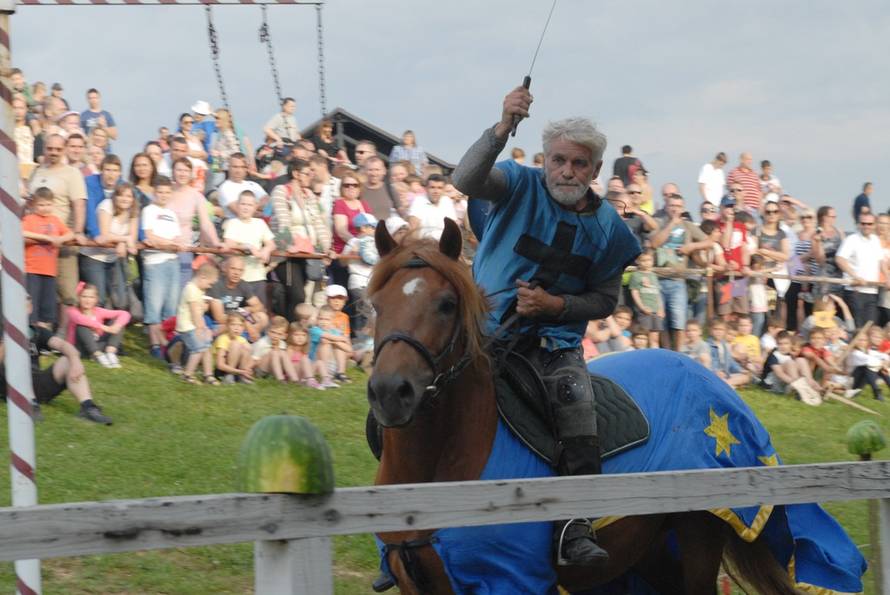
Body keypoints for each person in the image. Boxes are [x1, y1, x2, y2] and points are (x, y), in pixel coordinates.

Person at [451, 85, 641, 566]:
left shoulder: (610, 232)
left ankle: (574, 528)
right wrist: (501, 128)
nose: (566, 172)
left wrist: (556, 305)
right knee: (411, 388)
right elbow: (466, 178)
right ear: (544, 158)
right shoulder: (516, 182)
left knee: (576, 405)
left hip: (552, 345)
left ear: (596, 170)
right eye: (558, 160)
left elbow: (605, 299)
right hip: (481, 329)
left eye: (579, 164)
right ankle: (403, 526)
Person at [0, 295, 113, 424]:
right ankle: (30, 406)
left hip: (37, 383)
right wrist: (7, 337)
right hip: (11, 384)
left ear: (29, 308)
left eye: (24, 305)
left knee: (67, 360)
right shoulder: (3, 330)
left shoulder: (36, 331)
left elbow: (62, 345)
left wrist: (75, 360)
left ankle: (88, 408)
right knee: (16, 362)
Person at [28, 133, 87, 306]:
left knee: (66, 291)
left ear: (65, 150)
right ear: (44, 148)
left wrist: (77, 231)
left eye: (58, 149)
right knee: (36, 290)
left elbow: (79, 204)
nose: (53, 152)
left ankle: (63, 332)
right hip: (35, 242)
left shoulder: (72, 173)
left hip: (61, 240)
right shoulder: (37, 171)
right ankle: (39, 329)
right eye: (50, 148)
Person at [269, 159, 332, 317]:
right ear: (296, 174)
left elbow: (319, 223)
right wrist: (288, 244)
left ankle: (291, 330)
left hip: (307, 253)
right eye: (307, 173)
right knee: (298, 296)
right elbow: (283, 219)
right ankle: (287, 329)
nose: (311, 176)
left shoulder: (309, 194)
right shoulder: (281, 191)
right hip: (287, 254)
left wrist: (326, 248)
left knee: (300, 297)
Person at [649, 193, 711, 350]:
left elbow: (710, 240)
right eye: (672, 206)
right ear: (666, 206)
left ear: (683, 208)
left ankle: (678, 354)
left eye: (678, 206)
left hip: (678, 280)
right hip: (658, 279)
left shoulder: (688, 226)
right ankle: (666, 353)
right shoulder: (658, 222)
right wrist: (671, 225)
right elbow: (654, 244)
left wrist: (692, 247)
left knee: (679, 321)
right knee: (660, 322)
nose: (675, 209)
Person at [141, 176, 184, 359]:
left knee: (171, 306)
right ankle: (155, 344)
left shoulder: (172, 214)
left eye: (167, 192)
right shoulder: (149, 210)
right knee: (154, 305)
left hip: (172, 261)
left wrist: (169, 244)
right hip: (154, 262)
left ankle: (168, 344)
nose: (164, 195)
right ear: (154, 192)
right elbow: (151, 237)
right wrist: (168, 244)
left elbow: (177, 240)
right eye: (160, 192)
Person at [80, 181, 137, 309]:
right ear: (115, 196)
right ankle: (92, 327)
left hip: (113, 257)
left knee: (120, 300)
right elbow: (104, 235)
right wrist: (124, 239)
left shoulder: (133, 212)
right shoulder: (107, 206)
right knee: (97, 298)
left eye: (129, 196)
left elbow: (132, 238)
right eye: (121, 195)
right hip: (94, 257)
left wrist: (123, 241)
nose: (125, 199)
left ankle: (112, 327)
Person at [23, 187, 74, 328]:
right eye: (41, 205)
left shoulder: (55, 220)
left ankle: (41, 339)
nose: (45, 208)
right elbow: (23, 232)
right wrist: (47, 237)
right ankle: (29, 337)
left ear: (53, 204)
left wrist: (60, 239)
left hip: (49, 271)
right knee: (31, 305)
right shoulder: (30, 219)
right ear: (34, 205)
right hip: (32, 269)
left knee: (46, 306)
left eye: (48, 204)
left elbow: (70, 234)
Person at [168, 157, 222, 286]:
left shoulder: (196, 196)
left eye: (186, 170)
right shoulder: (165, 191)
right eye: (179, 170)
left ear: (191, 173)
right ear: (173, 171)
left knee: (181, 294)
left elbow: (206, 223)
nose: (182, 173)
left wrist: (216, 242)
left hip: (184, 250)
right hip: (162, 250)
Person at [222, 191, 275, 306]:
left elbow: (271, 243)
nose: (246, 208)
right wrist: (247, 247)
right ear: (237, 205)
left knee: (259, 313)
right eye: (243, 204)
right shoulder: (232, 223)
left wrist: (266, 250)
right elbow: (229, 243)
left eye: (249, 205)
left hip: (258, 276)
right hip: (239, 279)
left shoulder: (260, 223)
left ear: (255, 207)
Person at [836, 212, 885, 328]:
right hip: (855, 290)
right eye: (863, 223)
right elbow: (840, 259)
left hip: (872, 291)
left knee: (871, 327)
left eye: (869, 224)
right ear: (858, 224)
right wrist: (855, 277)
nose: (866, 226)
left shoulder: (875, 240)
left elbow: (881, 261)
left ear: (874, 225)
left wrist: (887, 276)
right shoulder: (851, 239)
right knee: (857, 328)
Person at [66, 282, 131, 368]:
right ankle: (97, 355)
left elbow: (125, 314)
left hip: (98, 344)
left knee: (118, 322)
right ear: (78, 297)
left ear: (96, 299)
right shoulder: (72, 311)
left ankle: (110, 354)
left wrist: (116, 326)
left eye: (91, 297)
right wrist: (104, 327)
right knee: (81, 326)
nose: (87, 300)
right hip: (80, 349)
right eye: (84, 296)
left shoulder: (98, 311)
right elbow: (80, 319)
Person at [208, 256, 270, 342]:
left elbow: (259, 306)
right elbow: (219, 317)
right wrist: (246, 324)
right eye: (233, 269)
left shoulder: (243, 284)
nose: (236, 273)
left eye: (240, 270)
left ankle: (246, 338)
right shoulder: (217, 285)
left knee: (263, 317)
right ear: (225, 269)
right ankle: (245, 336)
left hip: (238, 319)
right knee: (232, 326)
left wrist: (248, 309)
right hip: (221, 324)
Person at [176, 262, 220, 385]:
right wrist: (201, 328)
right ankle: (187, 374)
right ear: (202, 277)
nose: (209, 287)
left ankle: (208, 375)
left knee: (206, 348)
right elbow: (195, 312)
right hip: (189, 326)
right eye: (209, 284)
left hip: (195, 325)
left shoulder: (198, 290)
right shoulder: (191, 290)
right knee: (198, 350)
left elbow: (199, 310)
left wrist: (204, 306)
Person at [344, 213, 379, 337]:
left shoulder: (376, 242)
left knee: (371, 311)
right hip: (358, 281)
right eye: (373, 227)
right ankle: (360, 339)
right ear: (363, 228)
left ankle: (368, 339)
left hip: (372, 282)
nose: (375, 230)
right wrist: (353, 252)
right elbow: (343, 261)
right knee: (362, 311)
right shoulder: (354, 241)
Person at [628, 250, 664, 348]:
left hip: (655, 310)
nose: (647, 263)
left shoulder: (653, 276)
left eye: (649, 260)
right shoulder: (636, 275)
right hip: (644, 311)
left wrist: (661, 309)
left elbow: (657, 294)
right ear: (638, 262)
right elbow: (634, 292)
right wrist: (642, 307)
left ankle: (655, 354)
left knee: (655, 337)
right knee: (644, 335)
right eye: (643, 260)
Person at [216, 152, 269, 218]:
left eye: (242, 167)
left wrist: (249, 207)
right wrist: (259, 208)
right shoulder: (225, 188)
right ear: (229, 167)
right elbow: (241, 212)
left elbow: (268, 203)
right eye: (235, 167)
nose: (239, 170)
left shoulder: (253, 185)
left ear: (246, 169)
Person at [407, 173, 457, 240]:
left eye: (439, 188)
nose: (436, 191)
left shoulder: (447, 201)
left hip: (445, 244)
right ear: (426, 189)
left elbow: (454, 227)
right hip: (425, 245)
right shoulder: (418, 201)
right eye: (432, 187)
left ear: (443, 189)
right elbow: (413, 230)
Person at [309, 305, 350, 387]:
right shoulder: (314, 330)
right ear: (317, 319)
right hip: (316, 364)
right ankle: (325, 376)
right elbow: (327, 337)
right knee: (325, 343)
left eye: (327, 319)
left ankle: (340, 373)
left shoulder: (335, 331)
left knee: (338, 345)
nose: (323, 322)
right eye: (321, 319)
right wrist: (341, 339)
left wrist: (335, 342)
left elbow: (348, 349)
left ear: (332, 320)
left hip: (332, 364)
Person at [252, 315, 300, 383]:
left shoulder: (283, 344)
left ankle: (294, 379)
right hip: (260, 370)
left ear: (284, 336)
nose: (275, 336)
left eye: (279, 334)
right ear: (267, 331)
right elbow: (253, 362)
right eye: (273, 332)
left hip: (273, 370)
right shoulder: (261, 343)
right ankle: (280, 379)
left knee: (282, 353)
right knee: (274, 352)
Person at [212, 313, 254, 384]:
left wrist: (247, 369)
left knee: (247, 346)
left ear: (243, 328)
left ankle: (242, 377)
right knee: (236, 344)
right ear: (227, 326)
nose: (236, 328)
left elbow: (250, 357)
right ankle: (228, 376)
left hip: (237, 371)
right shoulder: (222, 339)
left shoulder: (242, 339)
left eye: (240, 325)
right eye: (233, 324)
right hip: (221, 371)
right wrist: (240, 371)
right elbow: (220, 365)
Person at [707, 319, 750, 388]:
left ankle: (727, 384)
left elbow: (730, 361)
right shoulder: (708, 345)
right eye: (716, 329)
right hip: (715, 374)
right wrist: (716, 372)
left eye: (721, 330)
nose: (718, 332)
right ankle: (728, 384)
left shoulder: (724, 345)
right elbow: (708, 364)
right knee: (717, 379)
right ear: (710, 330)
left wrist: (740, 369)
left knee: (746, 377)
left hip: (726, 374)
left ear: (725, 332)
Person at [361, 156, 396, 220]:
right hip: (367, 228)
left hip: (387, 228)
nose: (374, 173)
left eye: (377, 170)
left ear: (384, 171)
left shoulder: (390, 189)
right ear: (365, 171)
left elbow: (400, 209)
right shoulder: (359, 189)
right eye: (370, 170)